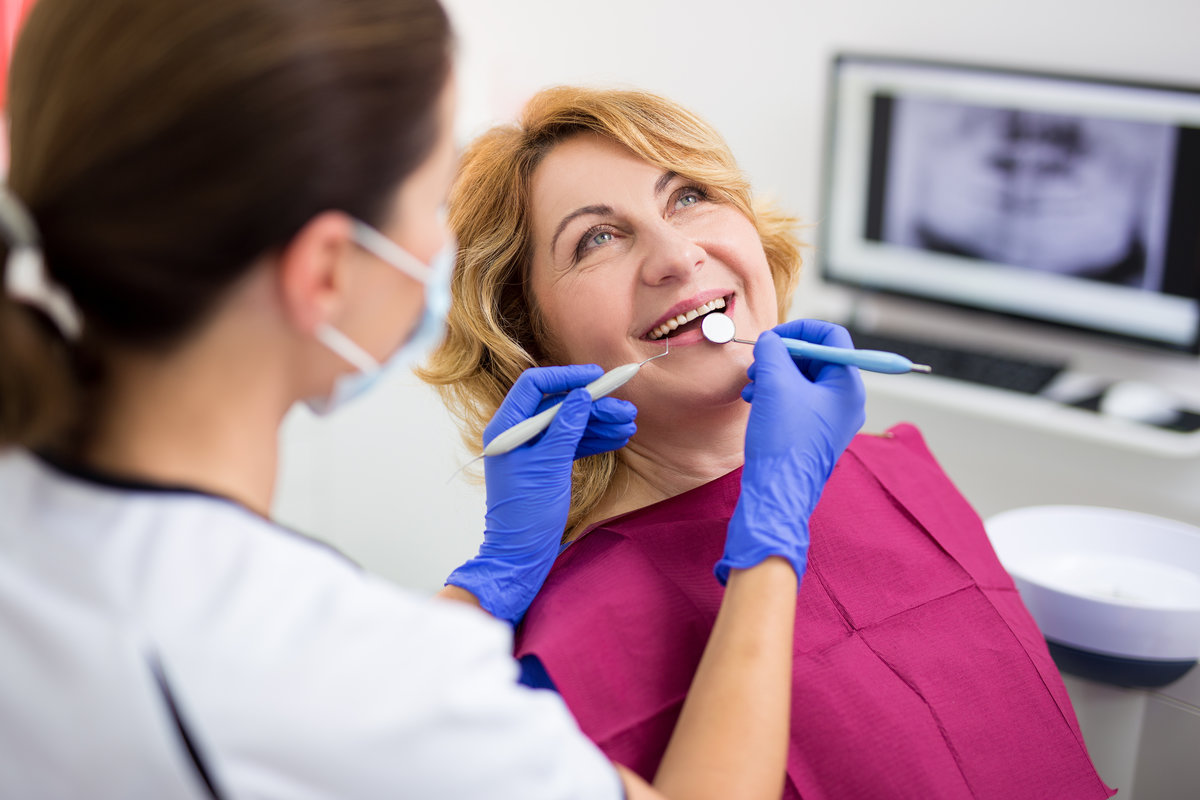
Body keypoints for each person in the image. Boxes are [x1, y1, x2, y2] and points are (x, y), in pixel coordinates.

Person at [0, 3, 866, 799]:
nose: (442, 244)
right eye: (435, 195)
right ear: (328, 273)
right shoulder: (305, 662)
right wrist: (771, 539)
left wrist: (489, 583)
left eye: (690, 196)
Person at [421, 85, 1116, 799]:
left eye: (688, 196)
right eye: (597, 237)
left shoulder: (903, 470)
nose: (677, 254)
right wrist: (496, 575)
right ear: (529, 335)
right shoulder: (564, 651)